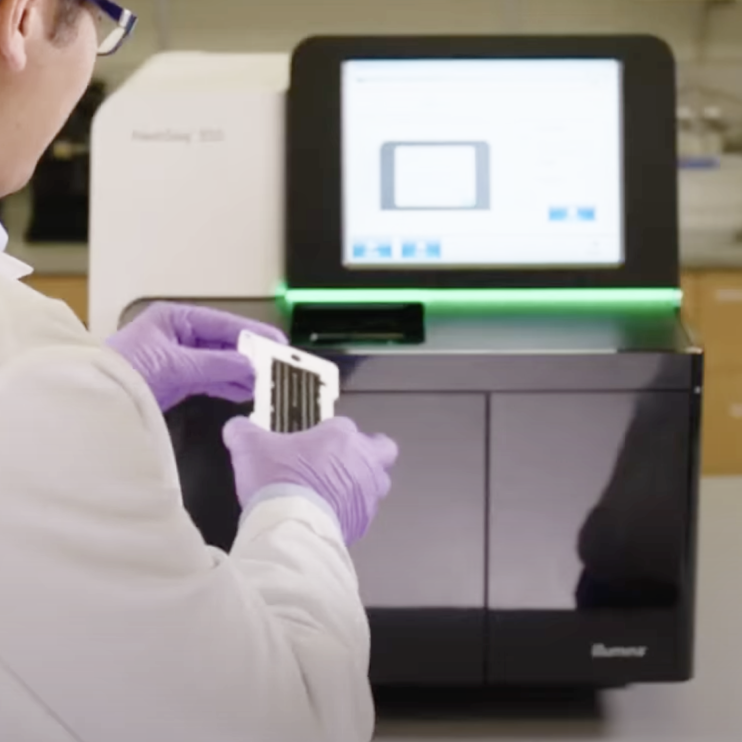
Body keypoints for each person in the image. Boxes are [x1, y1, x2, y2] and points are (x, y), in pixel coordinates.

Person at [0, 2, 398, 741]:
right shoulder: (29, 383)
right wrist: (302, 508)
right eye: (106, 20)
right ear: (19, 20)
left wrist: (92, 394)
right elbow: (287, 727)